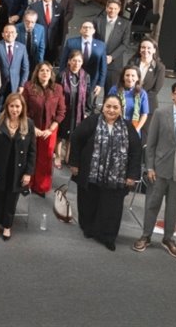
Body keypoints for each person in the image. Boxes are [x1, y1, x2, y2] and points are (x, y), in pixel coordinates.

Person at [133, 82, 176, 259]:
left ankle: (168, 239)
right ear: (172, 95)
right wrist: (149, 167)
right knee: (152, 205)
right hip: (158, 171)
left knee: (174, 209)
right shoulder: (160, 114)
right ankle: (146, 236)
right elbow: (151, 144)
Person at [69, 94, 142, 251]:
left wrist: (131, 175)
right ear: (103, 107)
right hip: (91, 174)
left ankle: (107, 236)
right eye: (108, 106)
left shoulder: (128, 127)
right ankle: (89, 229)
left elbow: (136, 151)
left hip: (116, 178)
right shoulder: (92, 122)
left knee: (112, 208)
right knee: (89, 202)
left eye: (115, 107)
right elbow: (76, 139)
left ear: (121, 110)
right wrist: (74, 163)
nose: (111, 110)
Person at [0, 93, 36, 241]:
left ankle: (7, 226)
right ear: (7, 107)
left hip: (18, 170)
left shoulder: (29, 124)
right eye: (12, 106)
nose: (15, 109)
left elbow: (32, 151)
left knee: (11, 199)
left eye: (17, 106)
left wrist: (28, 173)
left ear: (22, 107)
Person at [22, 62, 65, 196]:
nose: (45, 73)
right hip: (31, 128)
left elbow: (61, 111)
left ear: (51, 73)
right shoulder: (29, 87)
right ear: (37, 73)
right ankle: (26, 184)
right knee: (30, 156)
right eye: (42, 71)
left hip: (49, 130)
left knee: (45, 159)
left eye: (47, 70)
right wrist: (32, 128)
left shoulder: (58, 88)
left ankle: (41, 187)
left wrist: (50, 129)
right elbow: (23, 109)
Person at [108, 66, 150, 135]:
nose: (130, 78)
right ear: (123, 77)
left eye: (133, 75)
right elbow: (107, 108)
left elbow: (144, 114)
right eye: (127, 75)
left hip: (134, 129)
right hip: (115, 129)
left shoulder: (142, 93)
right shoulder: (114, 90)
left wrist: (136, 129)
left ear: (137, 78)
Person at [130, 36, 165, 116]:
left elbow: (156, 89)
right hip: (129, 102)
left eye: (149, 48)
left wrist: (140, 98)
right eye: (143, 47)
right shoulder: (132, 62)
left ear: (154, 50)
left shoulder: (159, 67)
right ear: (139, 49)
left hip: (147, 105)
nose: (145, 50)